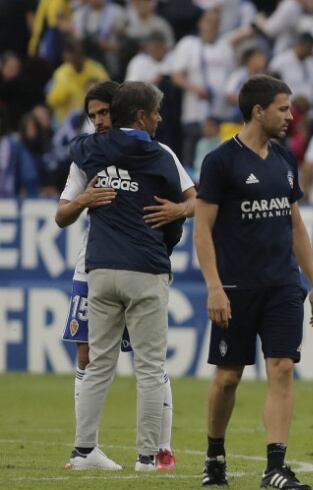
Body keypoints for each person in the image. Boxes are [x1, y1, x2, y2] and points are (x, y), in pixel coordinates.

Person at [194, 74, 313, 489]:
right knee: (228, 377)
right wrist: (214, 285)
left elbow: (296, 226)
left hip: (282, 285)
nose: (290, 116)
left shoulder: (286, 160)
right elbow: (202, 227)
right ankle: (215, 455)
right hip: (234, 288)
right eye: (283, 109)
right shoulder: (220, 161)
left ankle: (275, 467)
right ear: (258, 111)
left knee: (283, 368)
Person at [57, 80, 195, 471]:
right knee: (150, 365)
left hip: (100, 267)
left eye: (103, 113)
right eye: (155, 112)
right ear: (141, 116)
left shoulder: (90, 150)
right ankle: (149, 457)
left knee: (98, 363)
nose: (160, 118)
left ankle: (83, 451)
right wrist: (173, 223)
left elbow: (76, 146)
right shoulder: (159, 153)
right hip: (144, 268)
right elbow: (187, 201)